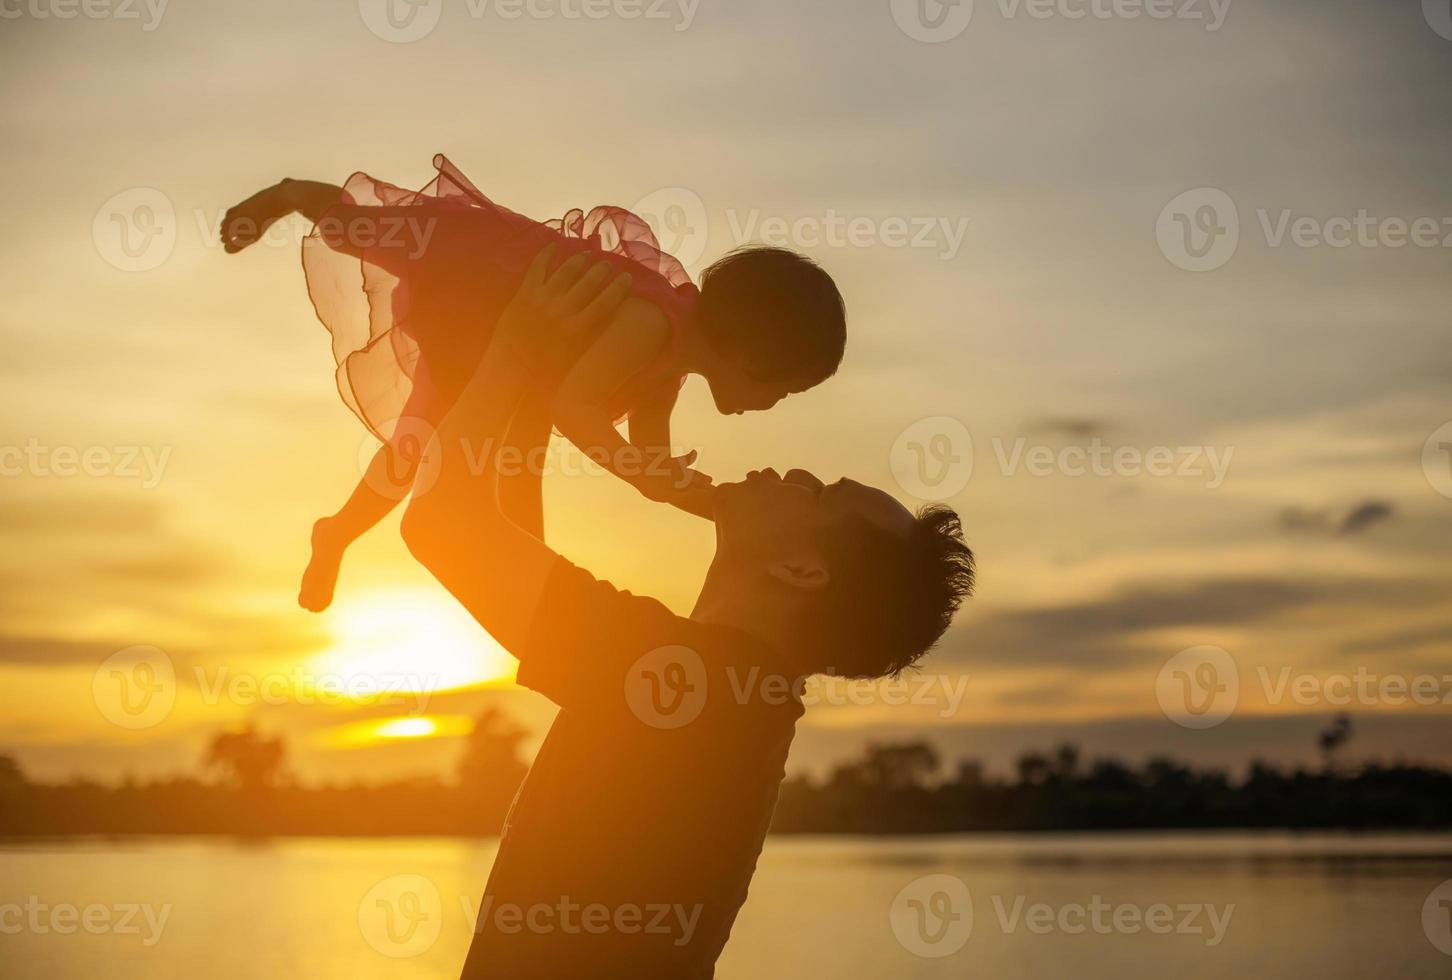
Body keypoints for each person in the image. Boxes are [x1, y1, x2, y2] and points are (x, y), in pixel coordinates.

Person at [400, 245, 976, 977]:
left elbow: (443, 525)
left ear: (802, 569)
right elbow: (509, 545)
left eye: (817, 491)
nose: (793, 470)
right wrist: (539, 385)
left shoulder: (685, 679)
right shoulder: (729, 698)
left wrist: (515, 347)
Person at [221, 155, 848, 612]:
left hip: (497, 350)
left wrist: (701, 497)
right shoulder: (652, 324)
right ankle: (290, 193)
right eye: (782, 391)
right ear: (751, 355)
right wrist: (634, 467)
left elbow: (649, 454)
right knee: (365, 233)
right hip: (481, 277)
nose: (770, 405)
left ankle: (336, 532)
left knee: (422, 450)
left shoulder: (676, 359)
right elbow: (574, 407)